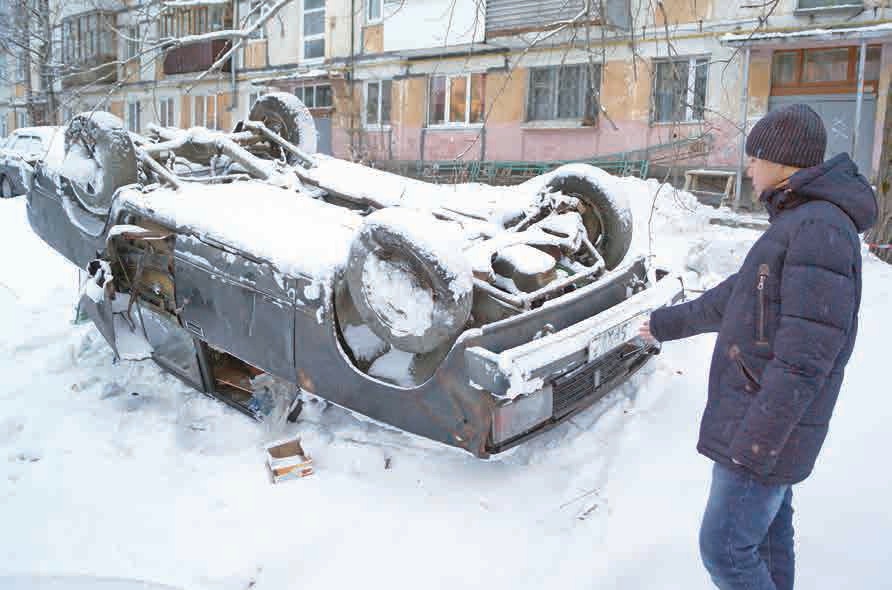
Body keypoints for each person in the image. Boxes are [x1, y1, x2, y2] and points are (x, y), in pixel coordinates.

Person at [638, 103, 878, 590]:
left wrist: (756, 445)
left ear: (782, 162)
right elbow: (739, 296)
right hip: (766, 422)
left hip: (766, 427)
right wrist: (663, 324)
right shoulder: (799, 223)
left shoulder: (818, 230)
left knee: (725, 549)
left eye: (755, 157)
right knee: (767, 539)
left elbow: (807, 360)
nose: (747, 167)